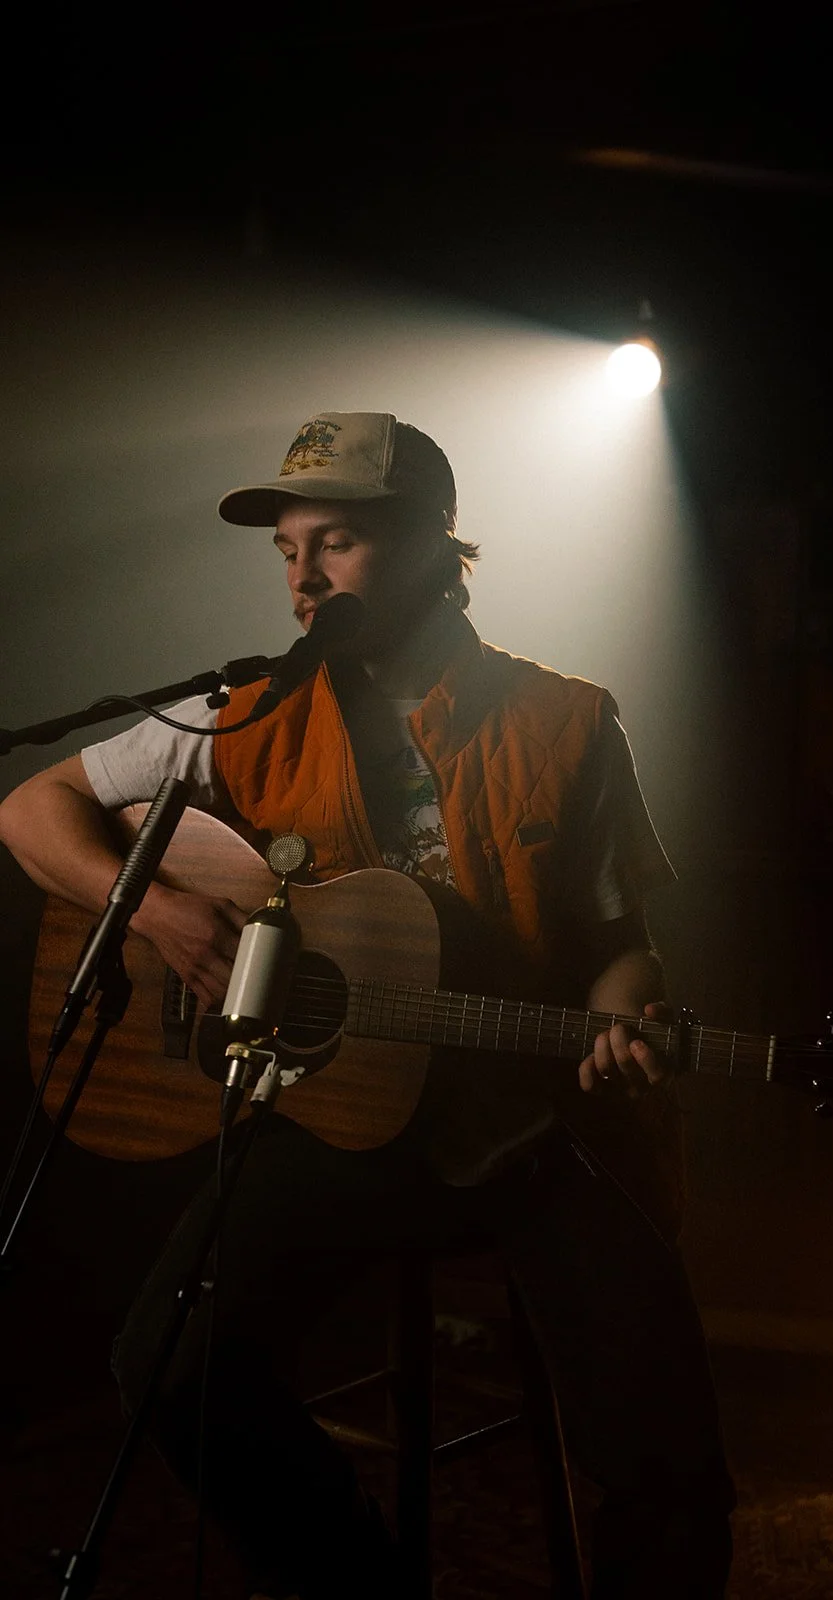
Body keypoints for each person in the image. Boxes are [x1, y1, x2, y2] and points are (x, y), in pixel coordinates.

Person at [0, 411, 734, 1598]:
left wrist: (621, 1015)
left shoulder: (566, 722)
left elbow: (623, 950)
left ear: (437, 543)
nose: (301, 579)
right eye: (286, 550)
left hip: (534, 1128)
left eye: (333, 543)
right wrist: (157, 914)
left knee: (665, 1456)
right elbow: (31, 809)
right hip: (345, 1122)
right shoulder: (249, 709)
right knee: (170, 1370)